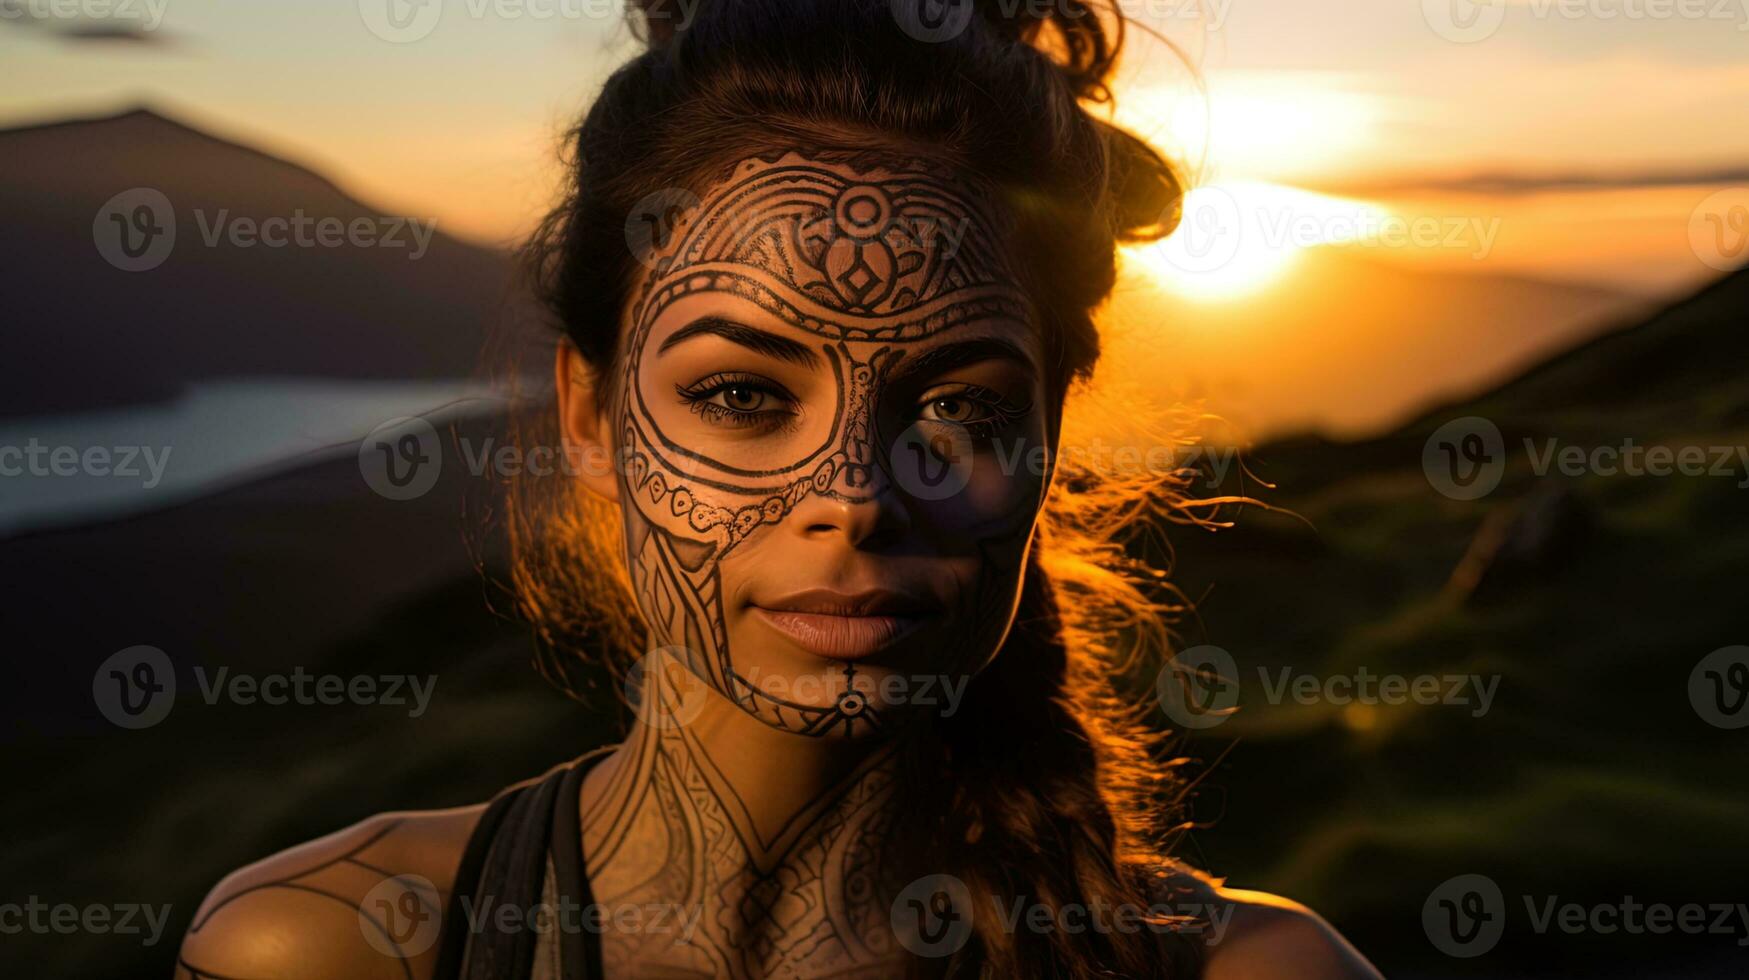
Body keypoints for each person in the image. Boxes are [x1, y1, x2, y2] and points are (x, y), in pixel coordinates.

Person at [176, 1, 1383, 976]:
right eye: (743, 394)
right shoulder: (331, 945)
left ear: (1052, 434)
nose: (856, 490)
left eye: (961, 406)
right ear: (592, 412)